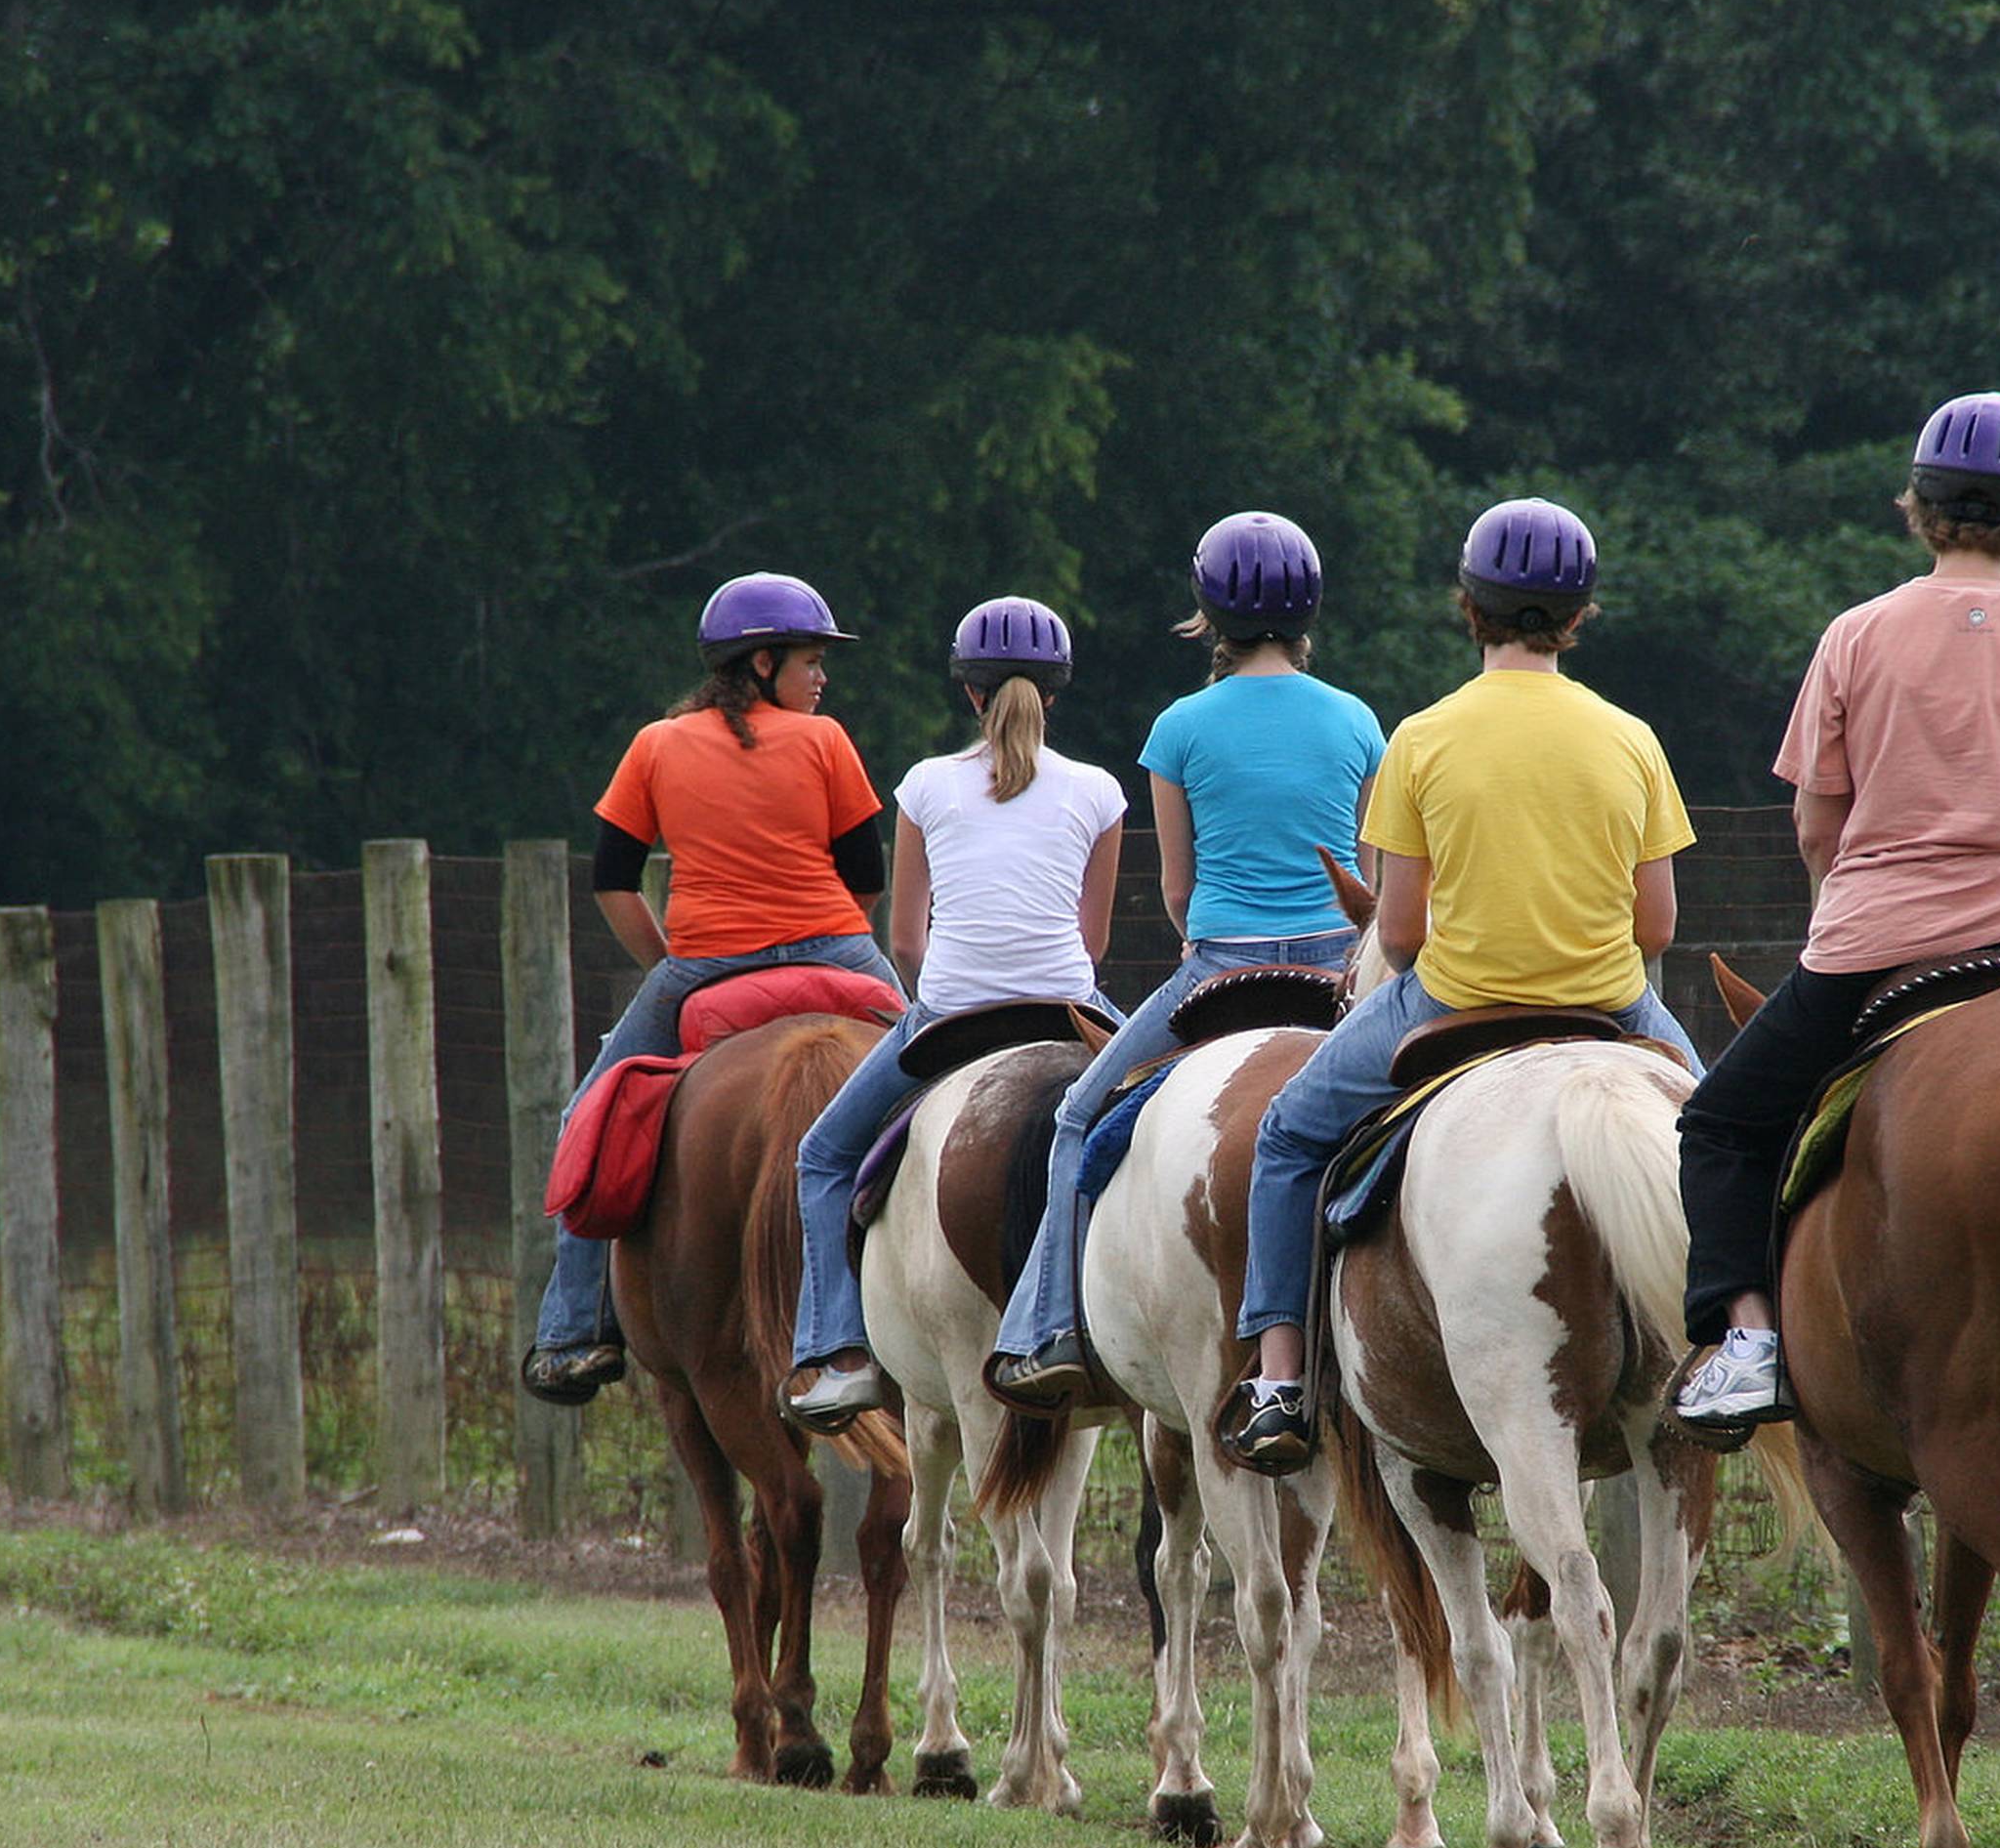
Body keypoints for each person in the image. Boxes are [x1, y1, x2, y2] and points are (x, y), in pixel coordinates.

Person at [1669, 393, 2000, 1442]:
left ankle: (1748, 1347)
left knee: (1722, 1123)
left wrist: (1849, 899)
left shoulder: (1855, 636)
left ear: (1919, 507)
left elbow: (1817, 827)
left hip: (1882, 933)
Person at [1217, 496, 1700, 1474]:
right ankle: (1751, 1344)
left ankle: (1280, 1379)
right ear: (1580, 616)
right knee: (1727, 1142)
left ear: (1469, 608)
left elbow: (1396, 934)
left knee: (1290, 1134)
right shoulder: (1632, 737)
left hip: (1454, 1000)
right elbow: (1657, 928)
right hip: (1609, 1003)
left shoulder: (1424, 736)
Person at [983, 513, 1384, 1408]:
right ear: (1310, 611)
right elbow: (1365, 876)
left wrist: (1210, 938)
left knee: (1078, 1117)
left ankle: (1048, 1328)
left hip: (1221, 971)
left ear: (1208, 615)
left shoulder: (1178, 727)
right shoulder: (1359, 721)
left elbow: (1177, 886)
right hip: (1337, 969)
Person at [523, 573, 895, 1407]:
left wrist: (669, 961)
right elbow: (865, 875)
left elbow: (614, 879)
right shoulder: (826, 740)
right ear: (762, 662)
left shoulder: (655, 745)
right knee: (944, 1077)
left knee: (589, 1117)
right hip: (838, 948)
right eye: (810, 660)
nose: (821, 678)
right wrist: (823, 935)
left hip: (706, 962)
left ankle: (572, 1333)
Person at [786, 597, 1126, 1430]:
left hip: (950, 1011)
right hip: (1065, 1004)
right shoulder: (1100, 790)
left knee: (822, 1156)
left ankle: (839, 1353)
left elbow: (905, 939)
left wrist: (941, 998)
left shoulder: (925, 784)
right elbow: (1092, 942)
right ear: (1055, 694)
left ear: (970, 693)